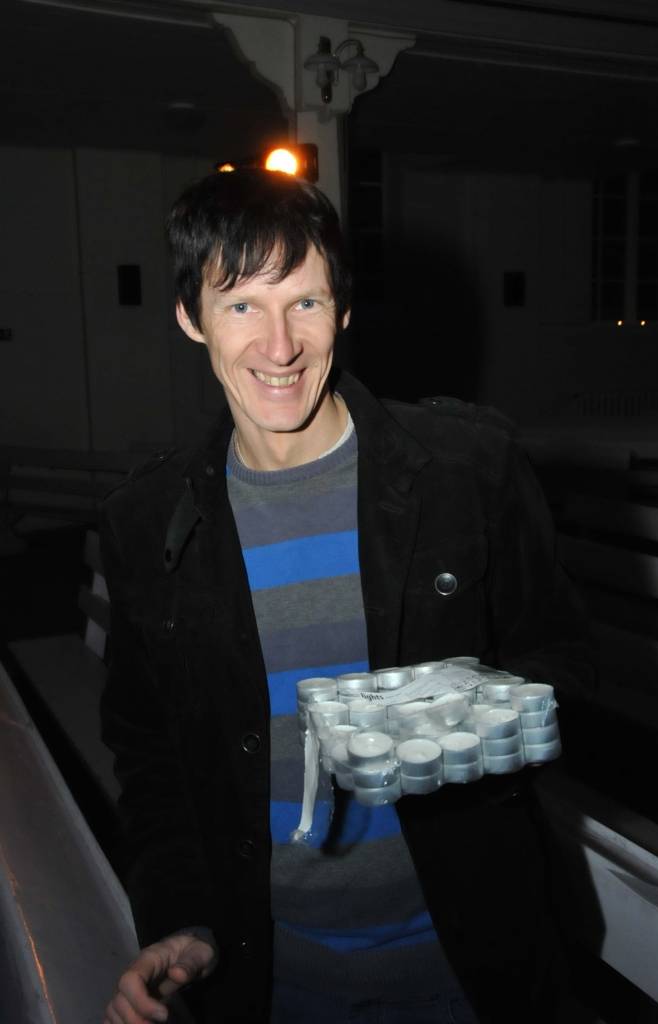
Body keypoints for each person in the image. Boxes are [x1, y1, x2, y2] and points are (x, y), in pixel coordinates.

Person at [100, 168, 594, 1024]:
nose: (280, 346)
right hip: (274, 980)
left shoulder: (466, 472)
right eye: (241, 304)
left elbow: (564, 659)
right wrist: (184, 918)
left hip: (476, 966)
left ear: (345, 309)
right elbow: (151, 757)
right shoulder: (148, 523)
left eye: (306, 302)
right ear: (190, 317)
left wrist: (471, 717)